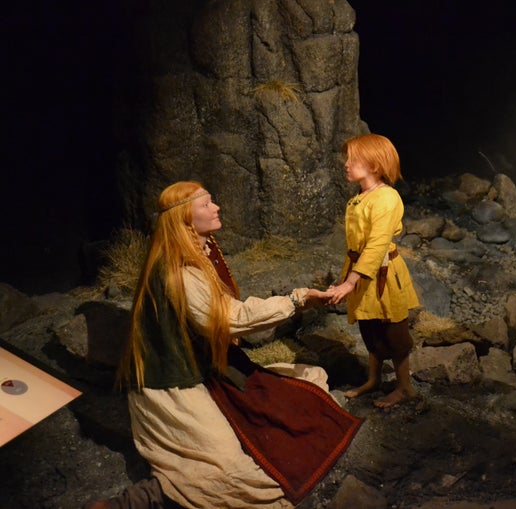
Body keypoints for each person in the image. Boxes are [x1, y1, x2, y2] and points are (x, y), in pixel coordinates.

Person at [85, 181, 362, 509]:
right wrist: (296, 298)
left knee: (301, 388)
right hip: (173, 383)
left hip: (206, 369)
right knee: (232, 472)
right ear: (186, 219)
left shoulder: (196, 256)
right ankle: (133, 501)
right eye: (206, 205)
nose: (216, 208)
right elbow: (231, 318)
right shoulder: (179, 274)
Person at [325, 134, 420, 409]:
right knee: (370, 328)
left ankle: (405, 387)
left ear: (375, 166)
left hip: (384, 276)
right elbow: (356, 246)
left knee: (394, 332)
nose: (346, 164)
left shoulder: (387, 198)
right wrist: (345, 281)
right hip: (362, 272)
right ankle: (373, 380)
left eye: (353, 160)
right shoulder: (359, 199)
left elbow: (377, 244)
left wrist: (350, 282)